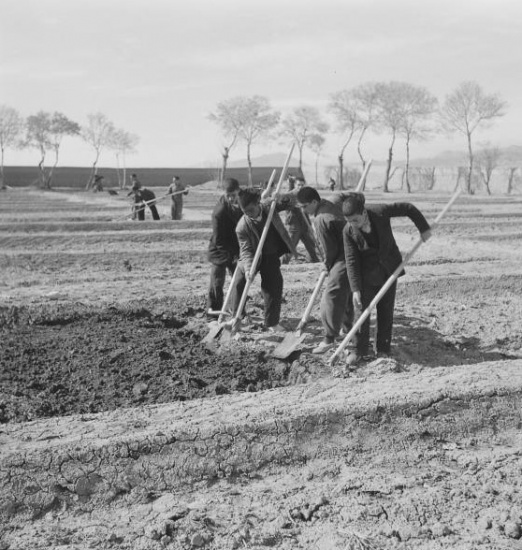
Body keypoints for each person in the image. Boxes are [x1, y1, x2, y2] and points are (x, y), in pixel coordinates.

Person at [342, 193, 432, 365]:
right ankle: (358, 350)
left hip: (389, 269)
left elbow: (408, 208)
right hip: (366, 275)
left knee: (386, 311)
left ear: (363, 213)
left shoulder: (380, 212)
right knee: (361, 311)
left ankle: (382, 349)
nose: (352, 224)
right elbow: (351, 261)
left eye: (355, 220)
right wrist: (355, 289)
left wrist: (424, 229)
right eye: (348, 221)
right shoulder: (348, 231)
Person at [296, 186, 361, 354]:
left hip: (344, 256)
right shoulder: (331, 202)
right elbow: (351, 194)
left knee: (331, 294)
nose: (303, 210)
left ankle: (329, 338)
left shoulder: (321, 219)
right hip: (353, 251)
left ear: (314, 202)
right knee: (344, 292)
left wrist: (327, 263)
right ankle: (347, 328)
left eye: (304, 206)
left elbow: (329, 249)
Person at [235, 188, 296, 332]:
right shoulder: (242, 226)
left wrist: (281, 197)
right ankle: (236, 317)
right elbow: (245, 251)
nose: (248, 214)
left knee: (273, 286)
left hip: (270, 254)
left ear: (258, 204)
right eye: (245, 212)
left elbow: (289, 202)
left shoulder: (269, 206)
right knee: (239, 281)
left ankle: (272, 322)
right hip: (252, 255)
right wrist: (249, 269)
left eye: (251, 210)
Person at [207, 178, 246, 317]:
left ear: (238, 191)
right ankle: (212, 313)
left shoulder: (243, 199)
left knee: (239, 280)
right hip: (220, 250)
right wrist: (231, 257)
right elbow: (219, 240)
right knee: (217, 281)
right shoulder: (219, 211)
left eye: (233, 195)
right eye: (228, 195)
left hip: (236, 247)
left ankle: (237, 311)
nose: (231, 198)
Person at [281, 176, 320, 264]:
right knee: (292, 244)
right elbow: (282, 198)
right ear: (295, 185)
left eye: (302, 185)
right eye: (298, 185)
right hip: (294, 224)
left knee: (310, 242)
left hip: (305, 222)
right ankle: (284, 261)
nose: (300, 187)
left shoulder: (305, 194)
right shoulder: (291, 194)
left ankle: (313, 259)